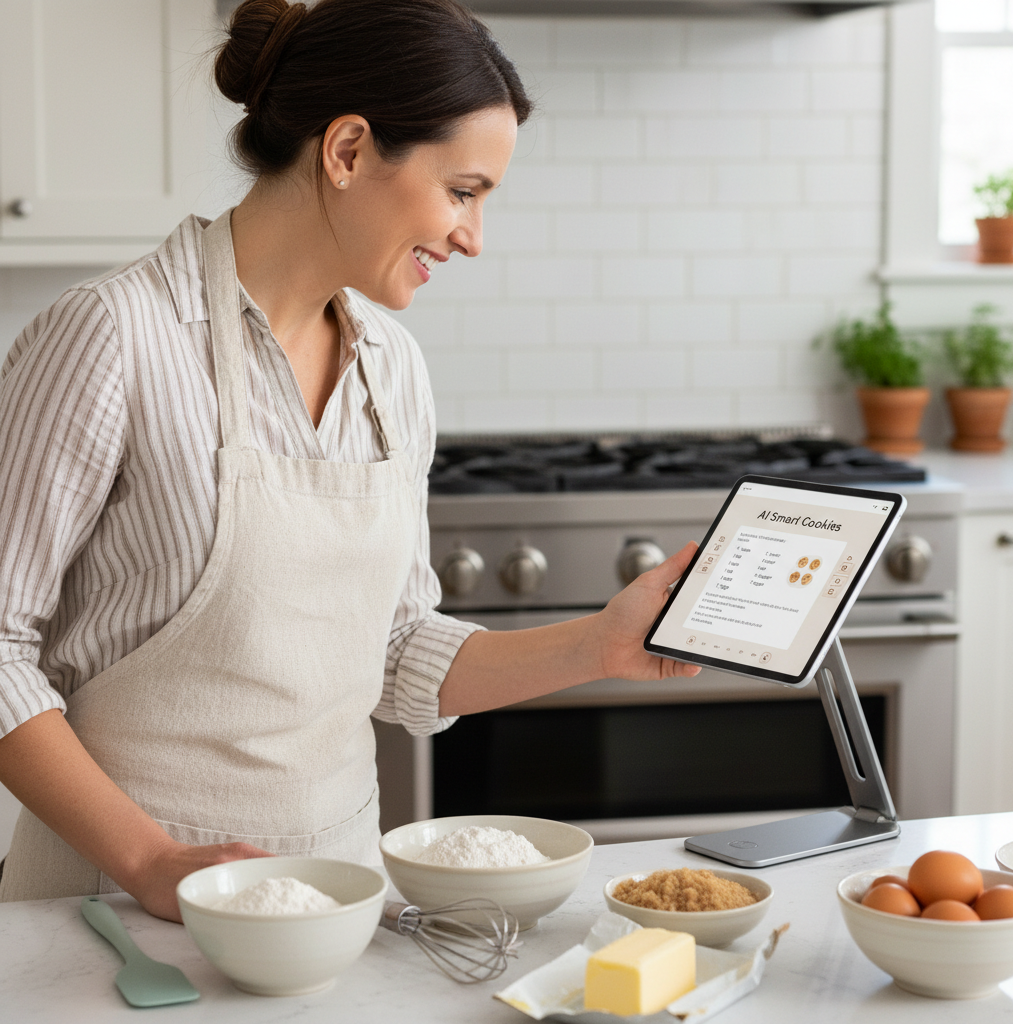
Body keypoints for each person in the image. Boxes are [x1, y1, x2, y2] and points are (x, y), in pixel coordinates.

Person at [0, 0, 699, 923]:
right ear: (348, 151)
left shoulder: (390, 368)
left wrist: (601, 643)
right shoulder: (112, 337)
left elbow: (400, 649)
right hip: (120, 911)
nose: (472, 236)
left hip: (334, 901)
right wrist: (154, 861)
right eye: (463, 190)